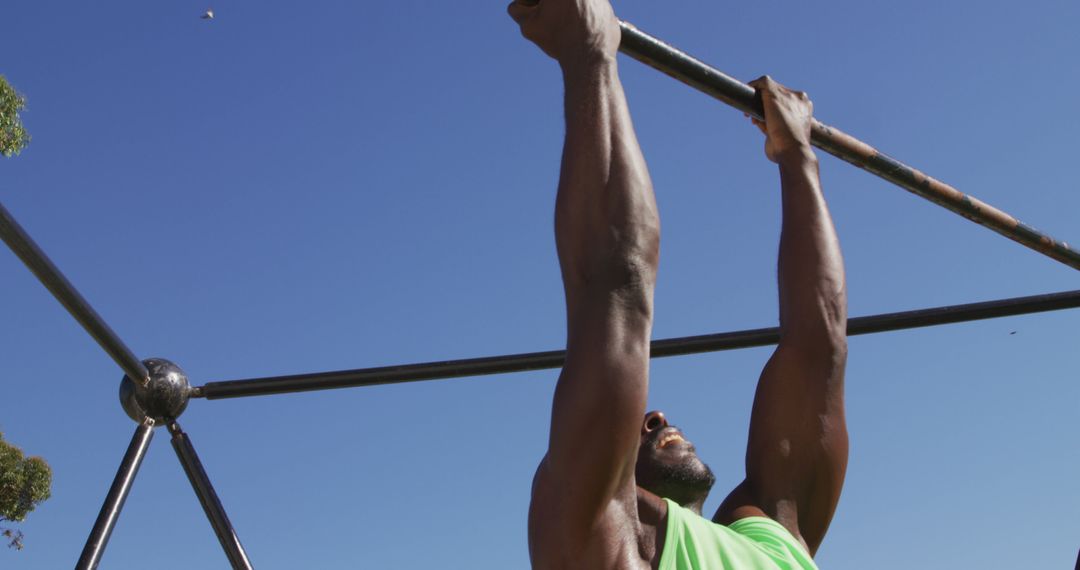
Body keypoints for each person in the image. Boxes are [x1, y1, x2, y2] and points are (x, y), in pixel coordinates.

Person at [508, 1, 848, 568]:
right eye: (639, 428)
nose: (658, 416)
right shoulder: (604, 540)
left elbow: (821, 344)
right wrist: (590, 57)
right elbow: (616, 289)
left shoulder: (774, 536)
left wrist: (796, 156)